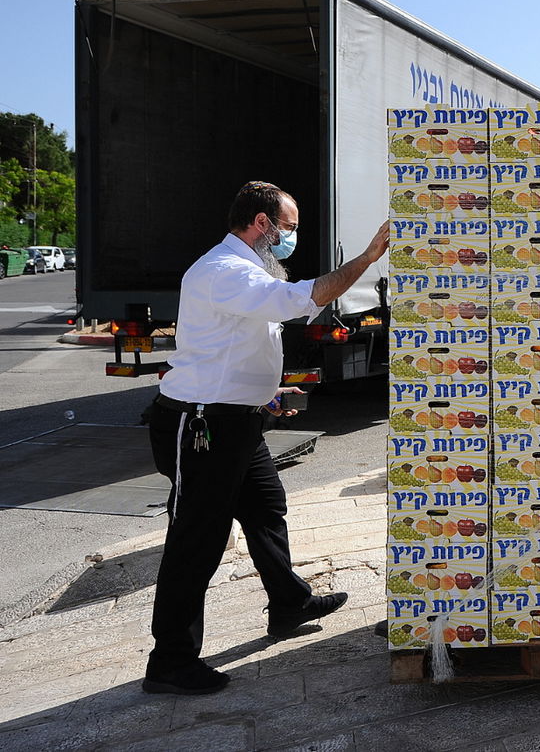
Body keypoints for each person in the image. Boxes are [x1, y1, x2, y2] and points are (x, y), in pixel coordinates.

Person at [143, 181, 389, 695]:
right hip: (204, 424)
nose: (291, 239)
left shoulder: (248, 268)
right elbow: (300, 299)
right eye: (290, 229)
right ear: (262, 224)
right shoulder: (223, 270)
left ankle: (288, 601)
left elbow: (243, 339)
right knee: (197, 539)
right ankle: (169, 660)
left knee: (265, 504)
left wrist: (264, 388)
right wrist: (367, 258)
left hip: (238, 418)